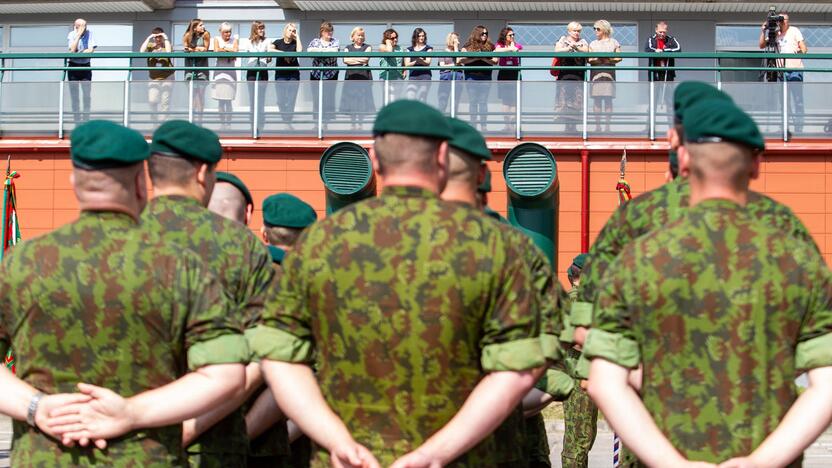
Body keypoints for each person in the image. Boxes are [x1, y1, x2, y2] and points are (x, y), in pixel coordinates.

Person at [252, 100, 546, 467]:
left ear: (375, 159)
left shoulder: (319, 242)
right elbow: (518, 368)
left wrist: (336, 439)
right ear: (442, 157)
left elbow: (278, 356)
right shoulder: (499, 245)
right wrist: (433, 453)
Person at [585, 99, 832, 467]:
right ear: (756, 165)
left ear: (683, 159)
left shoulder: (638, 259)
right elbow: (826, 384)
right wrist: (759, 462)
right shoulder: (796, 258)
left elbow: (605, 381)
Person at [0, 120, 247, 465]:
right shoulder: (179, 266)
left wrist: (36, 407)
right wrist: (131, 413)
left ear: (75, 183)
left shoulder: (21, 263)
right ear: (139, 183)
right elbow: (225, 374)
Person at [140, 120, 278, 467]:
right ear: (203, 173)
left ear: (150, 171)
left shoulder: (114, 236)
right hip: (213, 443)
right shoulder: (241, 247)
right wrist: (189, 427)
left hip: (125, 444)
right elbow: (262, 356)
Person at [441, 116, 571, 468]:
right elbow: (555, 371)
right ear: (483, 177)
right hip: (498, 443)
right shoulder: (520, 254)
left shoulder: (377, 247)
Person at [559, 253, 598, 468]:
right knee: (578, 440)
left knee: (584, 437)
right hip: (577, 377)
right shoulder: (576, 299)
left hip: (587, 376)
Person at [759, 12, 807, 134]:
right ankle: (784, 127)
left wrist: (798, 54)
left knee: (798, 101)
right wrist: (763, 31)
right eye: (779, 20)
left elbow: (804, 49)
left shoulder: (794, 31)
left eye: (783, 20)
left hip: (795, 70)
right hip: (781, 72)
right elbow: (761, 45)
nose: (781, 22)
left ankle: (799, 128)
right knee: (784, 101)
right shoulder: (775, 33)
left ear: (788, 21)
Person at [461, 25, 497, 131]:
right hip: (471, 76)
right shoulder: (468, 45)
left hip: (485, 77)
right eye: (482, 33)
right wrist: (475, 58)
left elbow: (495, 61)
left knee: (483, 102)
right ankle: (473, 126)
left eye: (486, 34)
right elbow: (461, 59)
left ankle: (483, 126)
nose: (485, 35)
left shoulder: (490, 46)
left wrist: (483, 58)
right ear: (477, 34)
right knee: (473, 101)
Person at [555, 22, 589, 133]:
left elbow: (587, 51)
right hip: (565, 76)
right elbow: (557, 50)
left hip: (578, 76)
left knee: (577, 102)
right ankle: (566, 127)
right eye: (574, 31)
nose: (577, 33)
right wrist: (568, 48)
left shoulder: (583, 42)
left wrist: (577, 48)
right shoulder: (562, 40)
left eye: (579, 31)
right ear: (569, 31)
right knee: (565, 101)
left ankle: (574, 127)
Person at [588, 20, 621, 133]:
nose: (595, 31)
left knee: (608, 100)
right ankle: (597, 126)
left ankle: (607, 126)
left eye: (598, 29)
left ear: (605, 29)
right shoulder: (593, 43)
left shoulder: (614, 42)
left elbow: (619, 57)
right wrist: (597, 59)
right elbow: (589, 59)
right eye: (595, 29)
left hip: (609, 73)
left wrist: (609, 59)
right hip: (596, 73)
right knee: (596, 100)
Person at [340, 27, 374, 130]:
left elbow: (366, 59)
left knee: (361, 100)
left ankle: (360, 124)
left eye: (362, 35)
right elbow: (345, 60)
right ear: (352, 37)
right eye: (358, 35)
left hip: (363, 76)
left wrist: (353, 59)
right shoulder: (347, 47)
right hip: (351, 76)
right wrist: (360, 60)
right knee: (352, 100)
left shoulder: (368, 47)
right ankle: (353, 124)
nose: (360, 37)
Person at [644, 21, 681, 115]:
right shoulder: (651, 39)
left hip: (667, 74)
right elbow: (647, 49)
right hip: (654, 74)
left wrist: (664, 50)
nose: (662, 34)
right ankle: (650, 128)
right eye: (660, 32)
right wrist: (656, 51)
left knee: (669, 101)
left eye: (664, 32)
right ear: (656, 30)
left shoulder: (671, 39)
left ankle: (671, 127)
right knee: (652, 101)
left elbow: (678, 49)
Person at [308, 21, 340, 125]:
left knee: (329, 97)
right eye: (327, 31)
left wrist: (319, 51)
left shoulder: (335, 41)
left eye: (331, 31)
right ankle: (317, 123)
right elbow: (309, 51)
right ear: (322, 32)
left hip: (331, 73)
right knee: (316, 98)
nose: (330, 33)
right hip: (316, 73)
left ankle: (326, 123)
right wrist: (325, 50)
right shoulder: (315, 41)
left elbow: (335, 51)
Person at [270, 23, 302, 127]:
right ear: (285, 31)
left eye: (294, 31)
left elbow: (300, 51)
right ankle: (285, 120)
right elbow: (270, 50)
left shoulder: (295, 42)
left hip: (293, 74)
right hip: (281, 75)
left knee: (291, 99)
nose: (292, 32)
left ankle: (288, 122)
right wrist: (284, 53)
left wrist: (297, 37)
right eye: (290, 30)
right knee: (281, 100)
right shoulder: (278, 42)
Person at [141, 27, 174, 124]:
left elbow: (169, 53)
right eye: (156, 37)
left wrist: (166, 38)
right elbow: (141, 51)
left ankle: (163, 123)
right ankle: (154, 122)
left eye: (160, 37)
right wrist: (149, 38)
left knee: (165, 102)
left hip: (167, 77)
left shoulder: (167, 45)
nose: (158, 39)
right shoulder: (150, 46)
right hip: (154, 78)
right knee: (152, 100)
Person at [67, 18, 97, 123]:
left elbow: (91, 50)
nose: (85, 28)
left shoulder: (90, 33)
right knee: (74, 96)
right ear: (76, 27)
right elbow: (71, 51)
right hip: (73, 67)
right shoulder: (71, 34)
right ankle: (76, 121)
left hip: (85, 67)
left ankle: (86, 120)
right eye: (82, 26)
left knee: (87, 95)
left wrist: (79, 53)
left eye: (86, 26)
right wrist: (78, 35)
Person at [244, 21, 271, 135]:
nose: (262, 30)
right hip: (252, 71)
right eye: (260, 28)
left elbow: (269, 57)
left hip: (263, 70)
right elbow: (247, 56)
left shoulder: (267, 41)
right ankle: (252, 125)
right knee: (252, 99)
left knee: (261, 100)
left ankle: (260, 126)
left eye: (263, 28)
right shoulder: (249, 41)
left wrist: (266, 57)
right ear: (255, 29)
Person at [494, 27, 523, 133]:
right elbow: (496, 50)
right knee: (505, 100)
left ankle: (513, 124)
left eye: (513, 35)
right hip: (504, 73)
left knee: (514, 100)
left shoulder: (517, 45)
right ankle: (507, 125)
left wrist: (513, 47)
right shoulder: (500, 45)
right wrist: (510, 49)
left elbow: (519, 49)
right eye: (510, 35)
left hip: (515, 73)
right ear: (505, 36)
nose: (512, 37)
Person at [212, 23, 239, 129]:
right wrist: (229, 50)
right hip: (219, 74)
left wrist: (224, 49)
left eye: (229, 32)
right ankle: (222, 124)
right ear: (221, 32)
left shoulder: (235, 39)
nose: (228, 34)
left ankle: (229, 124)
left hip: (231, 74)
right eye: (226, 32)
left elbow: (235, 51)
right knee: (220, 101)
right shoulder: (216, 39)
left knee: (229, 101)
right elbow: (216, 50)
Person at [183, 19, 211, 124]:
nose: (203, 27)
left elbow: (205, 49)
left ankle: (200, 121)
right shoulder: (187, 35)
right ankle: (192, 120)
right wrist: (197, 49)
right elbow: (186, 48)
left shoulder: (206, 34)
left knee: (200, 95)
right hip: (190, 69)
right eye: (201, 25)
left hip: (202, 69)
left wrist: (193, 49)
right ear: (194, 27)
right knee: (192, 96)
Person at [437, 32, 463, 115]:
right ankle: (441, 122)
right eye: (454, 38)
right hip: (446, 77)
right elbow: (442, 66)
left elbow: (459, 62)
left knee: (455, 102)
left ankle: (453, 122)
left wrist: (456, 48)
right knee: (443, 101)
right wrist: (454, 65)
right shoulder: (443, 52)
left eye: (457, 39)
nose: (456, 40)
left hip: (457, 77)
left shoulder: (459, 52)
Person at [405, 28, 433, 102]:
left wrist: (421, 61)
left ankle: (421, 113)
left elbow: (428, 62)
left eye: (423, 36)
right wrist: (416, 61)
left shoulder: (428, 48)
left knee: (422, 97)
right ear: (415, 37)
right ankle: (412, 113)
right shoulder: (409, 49)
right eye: (419, 36)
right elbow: (407, 64)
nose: (421, 38)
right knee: (410, 96)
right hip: (413, 76)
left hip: (425, 76)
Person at [379, 28, 405, 101]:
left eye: (396, 37)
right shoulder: (382, 46)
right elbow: (389, 51)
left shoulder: (400, 48)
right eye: (392, 38)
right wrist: (388, 42)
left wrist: (404, 70)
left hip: (398, 77)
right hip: (386, 77)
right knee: (387, 99)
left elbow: (403, 61)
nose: (395, 40)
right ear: (387, 38)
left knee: (396, 100)